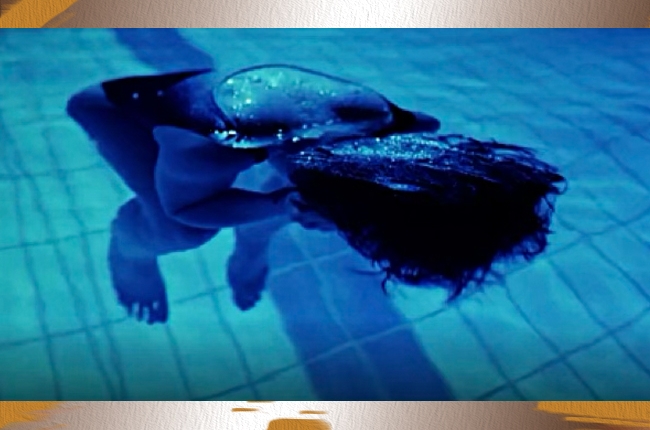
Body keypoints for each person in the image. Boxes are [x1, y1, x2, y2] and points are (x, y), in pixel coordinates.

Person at [67, 64, 565, 324]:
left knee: (284, 196)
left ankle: (253, 245)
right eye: (358, 236)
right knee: (179, 231)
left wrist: (283, 203)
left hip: (228, 110)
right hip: (116, 112)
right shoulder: (218, 149)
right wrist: (275, 205)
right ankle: (129, 251)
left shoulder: (383, 128)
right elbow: (189, 207)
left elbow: (427, 129)